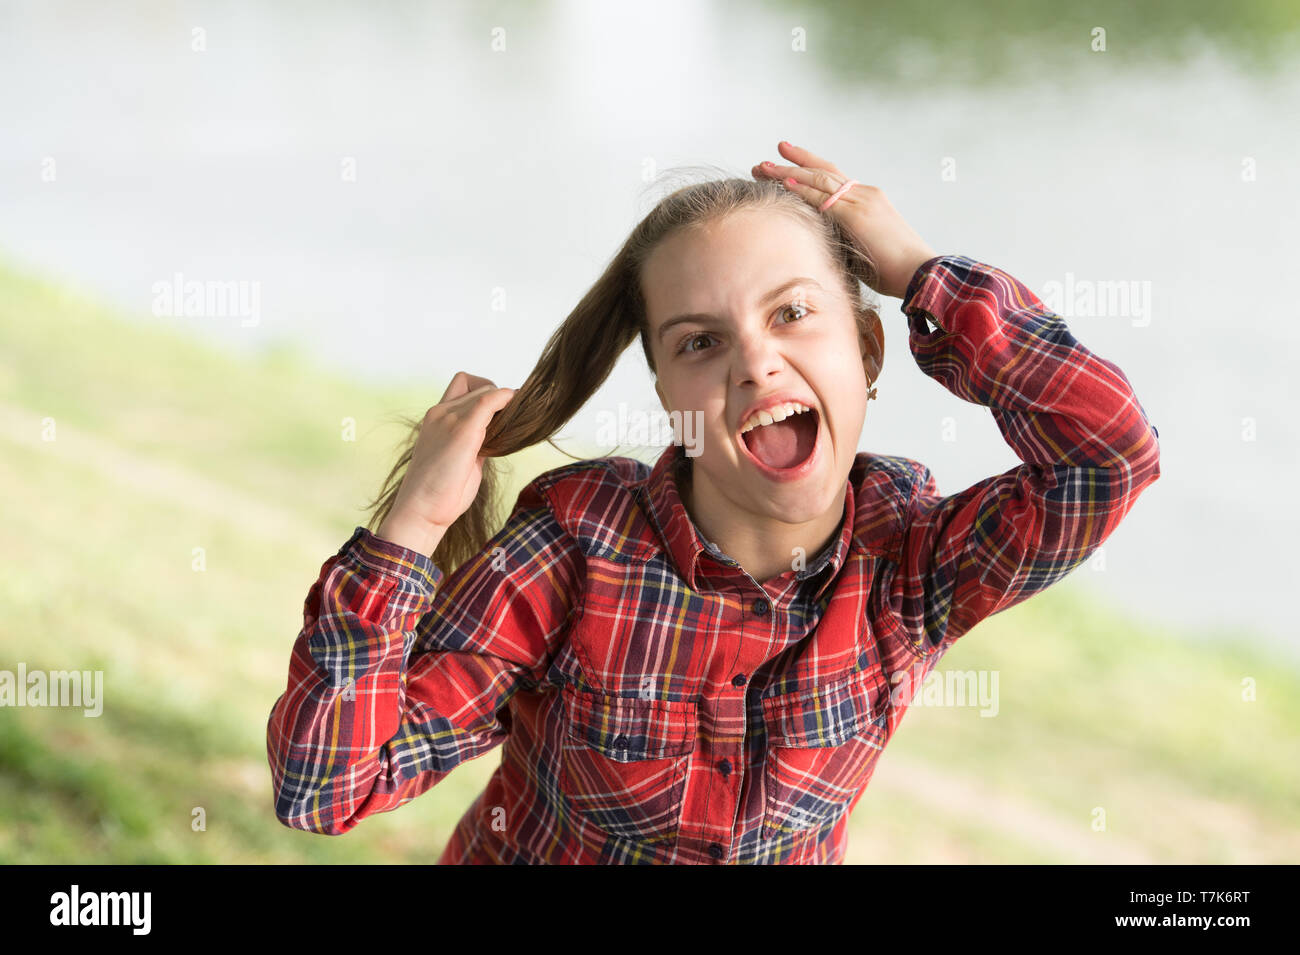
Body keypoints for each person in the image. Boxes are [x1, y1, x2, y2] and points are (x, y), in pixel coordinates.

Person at [265, 142, 1161, 864]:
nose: (754, 362)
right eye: (700, 341)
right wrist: (408, 531)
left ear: (870, 355)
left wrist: (926, 272)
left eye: (792, 314)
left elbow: (1107, 455)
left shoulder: (910, 563)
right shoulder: (576, 547)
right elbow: (326, 789)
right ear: (666, 394)